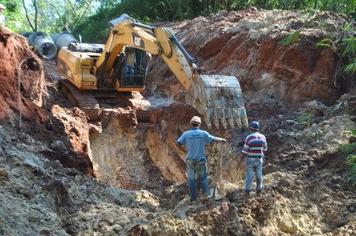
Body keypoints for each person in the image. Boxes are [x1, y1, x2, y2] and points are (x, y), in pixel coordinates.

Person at [176, 116, 226, 202]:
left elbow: (178, 143)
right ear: (199, 124)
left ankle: (193, 199)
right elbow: (213, 139)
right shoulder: (203, 133)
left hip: (190, 159)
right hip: (200, 159)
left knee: (191, 179)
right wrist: (222, 140)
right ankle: (206, 196)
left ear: (191, 124)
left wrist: (184, 151)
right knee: (203, 178)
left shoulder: (186, 134)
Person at [242, 120, 267, 197]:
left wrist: (241, 159)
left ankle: (247, 191)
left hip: (250, 159)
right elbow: (265, 149)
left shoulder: (249, 137)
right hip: (259, 159)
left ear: (251, 128)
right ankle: (259, 190)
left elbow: (245, 150)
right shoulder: (263, 137)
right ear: (258, 128)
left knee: (249, 175)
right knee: (259, 175)